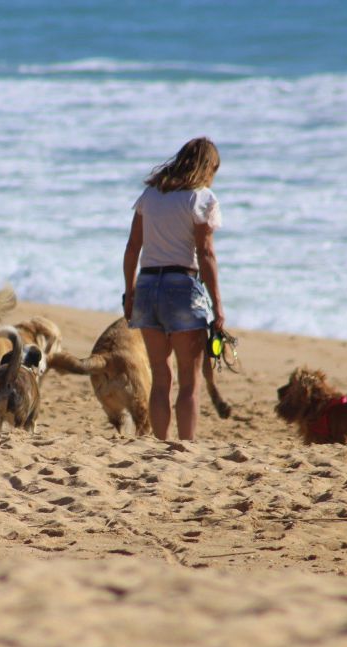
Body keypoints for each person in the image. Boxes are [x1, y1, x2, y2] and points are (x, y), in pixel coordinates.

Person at [122, 136, 225, 441]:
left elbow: (132, 249)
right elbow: (206, 255)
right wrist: (218, 306)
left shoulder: (150, 195)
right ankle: (186, 446)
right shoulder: (202, 198)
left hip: (148, 285)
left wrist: (130, 294)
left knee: (160, 378)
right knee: (189, 382)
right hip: (181, 286)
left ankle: (160, 444)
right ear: (208, 167)